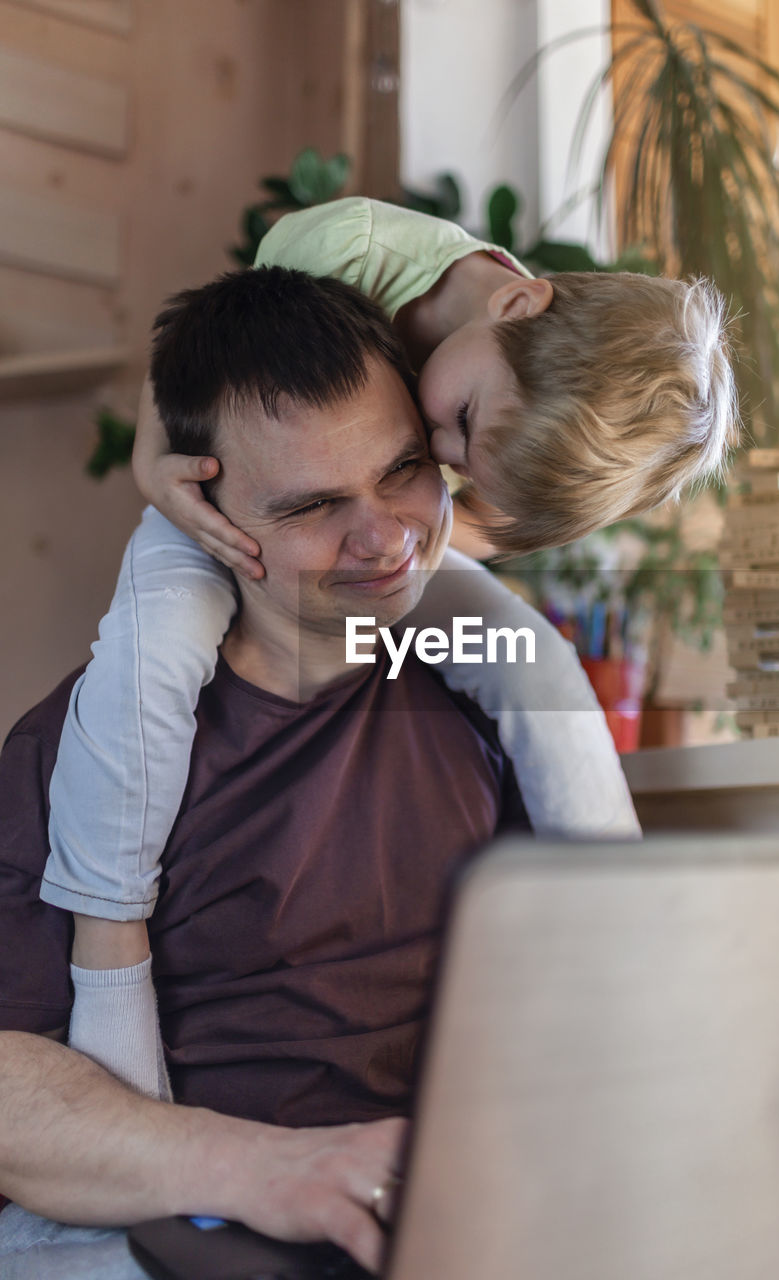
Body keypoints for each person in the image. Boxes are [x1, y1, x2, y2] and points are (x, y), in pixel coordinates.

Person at [0, 268, 633, 1278]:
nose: (383, 538)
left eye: (405, 469)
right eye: (312, 506)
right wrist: (266, 1167)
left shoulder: (491, 705)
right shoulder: (84, 748)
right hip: (192, 1227)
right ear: (203, 507)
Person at [43, 195, 723, 1104]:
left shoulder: (510, 394)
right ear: (517, 306)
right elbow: (203, 359)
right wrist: (153, 468)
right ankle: (108, 957)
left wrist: (409, 540)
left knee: (537, 664)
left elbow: (434, 527)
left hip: (363, 537)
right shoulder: (347, 249)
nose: (443, 452)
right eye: (457, 428)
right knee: (149, 664)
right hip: (215, 505)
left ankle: (614, 930)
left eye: (443, 462)